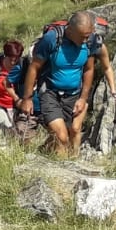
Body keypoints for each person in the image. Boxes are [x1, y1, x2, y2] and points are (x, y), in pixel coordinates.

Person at [18, 12, 98, 157]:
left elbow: (89, 69)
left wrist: (83, 98)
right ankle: (58, 164)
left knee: (67, 135)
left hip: (73, 94)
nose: (86, 40)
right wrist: (27, 98)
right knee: (61, 136)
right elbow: (34, 67)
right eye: (82, 36)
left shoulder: (90, 41)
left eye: (88, 36)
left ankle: (42, 154)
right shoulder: (52, 39)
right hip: (50, 93)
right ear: (70, 30)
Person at [71, 35, 116, 157]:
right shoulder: (70, 41)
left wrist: (113, 91)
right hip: (66, 87)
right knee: (63, 128)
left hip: (84, 89)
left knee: (75, 127)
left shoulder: (97, 46)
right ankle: (53, 150)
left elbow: (107, 68)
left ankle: (73, 157)